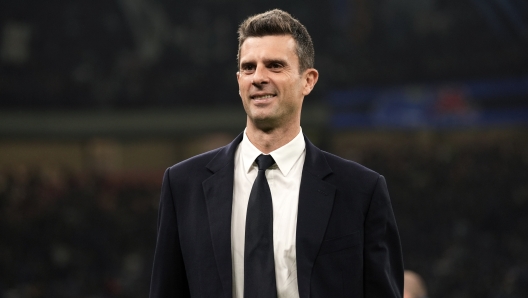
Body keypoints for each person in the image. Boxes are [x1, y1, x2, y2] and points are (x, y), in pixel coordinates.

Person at [149, 9, 403, 298]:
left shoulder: (360, 190)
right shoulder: (184, 185)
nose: (258, 77)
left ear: (308, 80)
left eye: (274, 65)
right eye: (248, 67)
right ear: (239, 81)